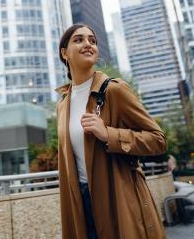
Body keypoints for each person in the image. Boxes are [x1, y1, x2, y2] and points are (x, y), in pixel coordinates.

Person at [56, 24, 167, 239]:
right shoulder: (63, 103)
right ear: (64, 53)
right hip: (81, 205)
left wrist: (109, 135)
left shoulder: (114, 90)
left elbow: (158, 140)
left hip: (118, 199)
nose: (88, 44)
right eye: (78, 40)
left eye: (92, 40)